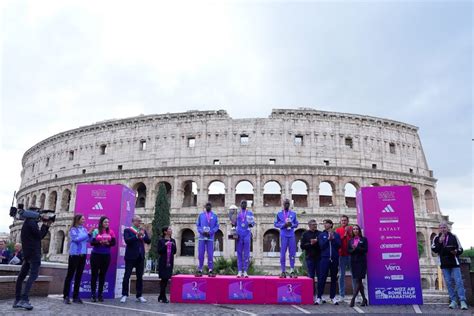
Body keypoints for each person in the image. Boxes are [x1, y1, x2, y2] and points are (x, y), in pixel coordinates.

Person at [14, 210, 51, 310]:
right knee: (33, 275)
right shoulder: (32, 223)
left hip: (27, 253)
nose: (40, 216)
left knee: (21, 276)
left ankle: (17, 300)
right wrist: (46, 225)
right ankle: (24, 299)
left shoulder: (27, 223)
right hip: (34, 253)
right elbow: (39, 236)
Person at [431, 222, 468, 310]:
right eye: (441, 227)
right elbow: (435, 250)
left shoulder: (453, 236)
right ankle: (453, 301)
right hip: (444, 263)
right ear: (439, 229)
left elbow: (460, 248)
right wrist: (440, 242)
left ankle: (462, 301)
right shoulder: (436, 238)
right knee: (448, 282)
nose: (443, 229)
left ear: (447, 228)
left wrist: (456, 252)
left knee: (458, 282)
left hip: (454, 262)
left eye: (444, 227)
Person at [121, 215, 151, 303]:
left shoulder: (142, 230)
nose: (140, 222)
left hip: (140, 256)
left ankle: (139, 295)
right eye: (138, 221)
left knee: (139, 277)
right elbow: (127, 240)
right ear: (133, 221)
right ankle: (124, 294)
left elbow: (148, 241)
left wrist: (144, 235)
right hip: (130, 256)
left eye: (140, 221)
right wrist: (137, 236)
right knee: (127, 276)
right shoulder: (128, 230)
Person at [63, 214, 90, 304]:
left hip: (83, 254)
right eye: (82, 219)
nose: (84, 220)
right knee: (70, 275)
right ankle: (66, 295)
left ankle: (75, 296)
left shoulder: (84, 229)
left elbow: (88, 240)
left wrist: (92, 236)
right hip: (74, 254)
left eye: (84, 219)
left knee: (79, 276)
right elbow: (76, 239)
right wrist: (87, 234)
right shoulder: (73, 229)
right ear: (77, 220)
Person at [90, 216, 116, 302]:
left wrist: (107, 243)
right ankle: (93, 294)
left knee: (102, 275)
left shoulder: (111, 232)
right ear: (101, 223)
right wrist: (100, 242)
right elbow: (92, 242)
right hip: (96, 255)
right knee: (94, 274)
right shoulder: (96, 231)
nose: (107, 224)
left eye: (108, 222)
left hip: (106, 255)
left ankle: (100, 294)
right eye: (105, 222)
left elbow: (113, 243)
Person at [316, 219, 341, 305]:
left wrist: (333, 239)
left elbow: (339, 246)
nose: (325, 225)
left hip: (334, 258)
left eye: (326, 223)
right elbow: (321, 246)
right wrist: (328, 239)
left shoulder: (337, 235)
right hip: (324, 258)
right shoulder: (321, 235)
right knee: (322, 277)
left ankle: (333, 297)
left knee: (334, 278)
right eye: (324, 224)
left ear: (331, 225)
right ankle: (319, 297)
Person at [274, 199, 299, 278]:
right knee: (282, 254)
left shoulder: (293, 214)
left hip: (291, 235)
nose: (287, 205)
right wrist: (283, 225)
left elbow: (296, 224)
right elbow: (275, 223)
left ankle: (292, 269)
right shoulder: (279, 214)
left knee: (292, 253)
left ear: (290, 204)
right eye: (285, 204)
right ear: (283, 204)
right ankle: (283, 271)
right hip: (283, 235)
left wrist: (291, 225)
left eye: (288, 204)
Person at [195, 202, 220, 277]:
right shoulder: (201, 215)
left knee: (210, 254)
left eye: (209, 205)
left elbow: (217, 226)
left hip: (210, 238)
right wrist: (202, 232)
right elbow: (198, 225)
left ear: (211, 207)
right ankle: (200, 269)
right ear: (205, 207)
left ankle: (210, 270)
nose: (208, 207)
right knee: (201, 253)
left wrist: (211, 232)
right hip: (202, 237)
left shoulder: (215, 216)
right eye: (207, 205)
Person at [300, 219, 321, 303]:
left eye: (315, 224)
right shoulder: (305, 234)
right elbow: (302, 246)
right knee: (311, 276)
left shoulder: (319, 233)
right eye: (313, 224)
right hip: (310, 258)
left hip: (319, 257)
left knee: (320, 276)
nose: (314, 226)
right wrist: (310, 244)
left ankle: (319, 296)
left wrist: (317, 241)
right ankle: (312, 294)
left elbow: (323, 244)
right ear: (309, 225)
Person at [348, 224, 368, 307]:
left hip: (361, 262)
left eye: (357, 229)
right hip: (354, 262)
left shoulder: (364, 239)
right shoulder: (351, 240)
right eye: (354, 229)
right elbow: (349, 251)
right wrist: (353, 249)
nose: (355, 230)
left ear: (359, 231)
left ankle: (353, 299)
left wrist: (357, 248)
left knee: (358, 280)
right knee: (358, 281)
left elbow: (365, 250)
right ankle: (364, 299)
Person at [335, 215, 354, 302]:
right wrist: (344, 235)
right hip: (341, 255)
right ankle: (342, 295)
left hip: (351, 255)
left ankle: (355, 295)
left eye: (345, 220)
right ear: (340, 222)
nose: (343, 222)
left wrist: (349, 233)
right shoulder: (338, 230)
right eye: (342, 220)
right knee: (341, 275)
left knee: (354, 275)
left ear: (348, 221)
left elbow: (354, 239)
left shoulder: (351, 228)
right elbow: (337, 241)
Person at [235, 200, 255, 278]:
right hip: (239, 234)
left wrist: (251, 224)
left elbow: (253, 223)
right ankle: (239, 271)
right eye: (242, 203)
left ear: (246, 205)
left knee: (247, 253)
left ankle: (245, 271)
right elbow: (234, 223)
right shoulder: (237, 213)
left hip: (247, 233)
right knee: (239, 253)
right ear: (240, 205)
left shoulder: (250, 213)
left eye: (245, 203)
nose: (243, 204)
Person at [157, 226, 176, 303]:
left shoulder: (173, 240)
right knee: (163, 279)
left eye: (171, 229)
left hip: (169, 262)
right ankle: (163, 296)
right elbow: (159, 251)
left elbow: (174, 252)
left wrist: (172, 246)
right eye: (169, 229)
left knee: (166, 279)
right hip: (163, 262)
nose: (171, 230)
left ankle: (161, 296)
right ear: (165, 232)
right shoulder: (161, 241)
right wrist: (165, 245)